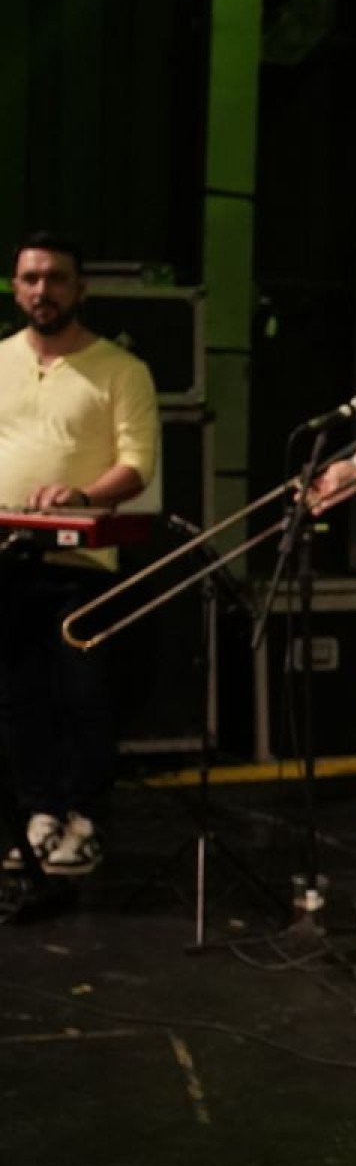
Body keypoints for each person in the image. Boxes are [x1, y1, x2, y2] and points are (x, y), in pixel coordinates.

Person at [0, 231, 159, 877]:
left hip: (82, 566)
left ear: (80, 288)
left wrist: (81, 497)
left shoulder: (121, 369)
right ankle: (38, 813)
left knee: (84, 697)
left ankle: (84, 818)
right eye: (31, 278)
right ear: (16, 288)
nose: (43, 290)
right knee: (18, 695)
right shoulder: (2, 359)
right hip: (8, 559)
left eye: (57, 278)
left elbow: (138, 464)